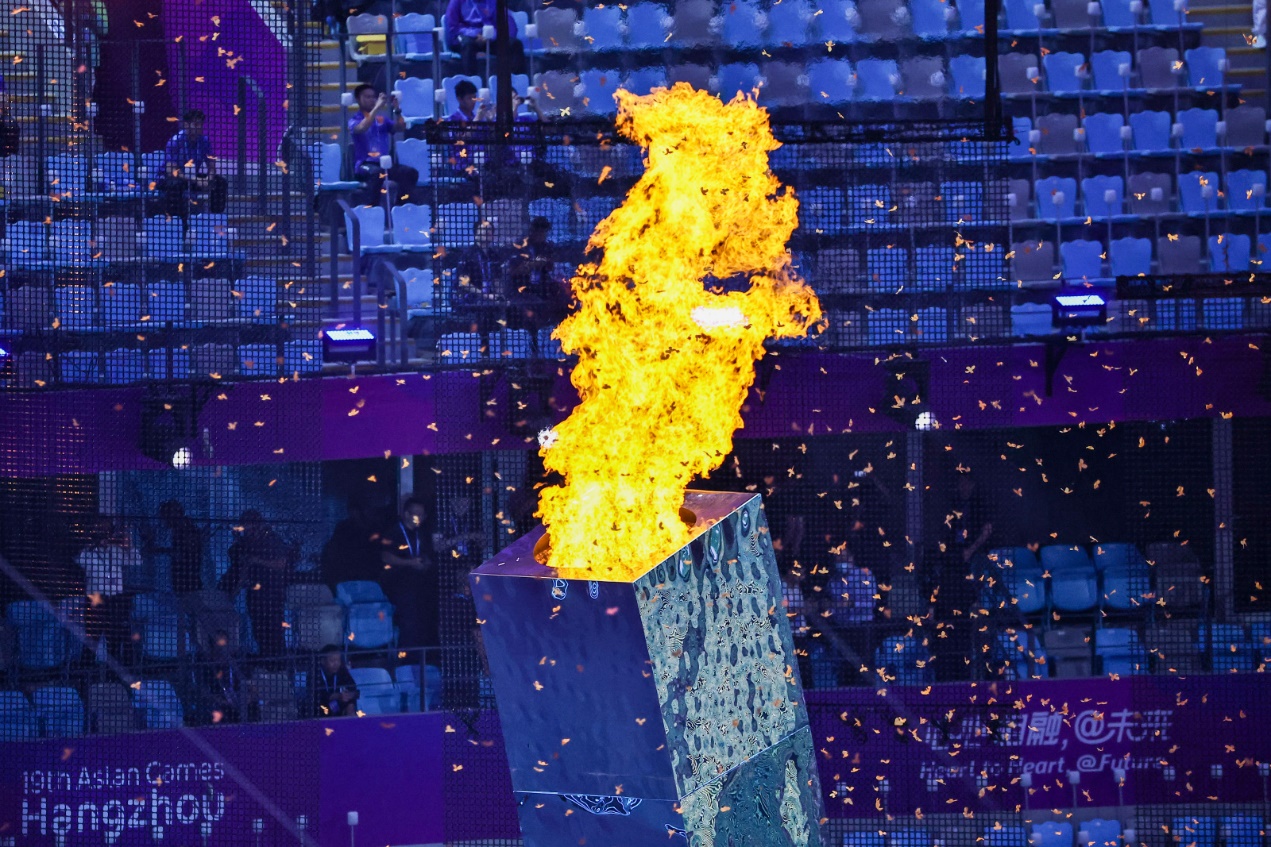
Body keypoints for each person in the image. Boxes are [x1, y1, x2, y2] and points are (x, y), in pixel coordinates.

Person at [219, 511, 296, 658]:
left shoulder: (271, 540)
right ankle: (265, 659)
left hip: (272, 592)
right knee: (259, 629)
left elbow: (281, 563)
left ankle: (276, 662)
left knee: (273, 629)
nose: (246, 530)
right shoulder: (246, 543)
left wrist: (257, 560)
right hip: (255, 593)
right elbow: (242, 567)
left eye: (248, 526)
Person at [378, 497, 439, 650]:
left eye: (422, 515)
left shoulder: (422, 533)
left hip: (420, 586)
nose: (419, 518)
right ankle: (407, 658)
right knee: (408, 623)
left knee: (423, 622)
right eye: (416, 514)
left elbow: (427, 555)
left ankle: (424, 657)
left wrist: (425, 563)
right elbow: (385, 556)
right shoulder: (393, 532)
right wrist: (409, 562)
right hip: (400, 585)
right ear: (406, 514)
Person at [76, 517, 141, 657]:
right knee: (92, 636)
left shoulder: (116, 550)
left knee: (114, 638)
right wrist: (94, 545)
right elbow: (80, 563)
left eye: (106, 529)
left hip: (115, 599)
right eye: (100, 529)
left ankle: (114, 667)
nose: (104, 533)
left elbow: (136, 561)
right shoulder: (88, 551)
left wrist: (128, 546)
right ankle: (87, 668)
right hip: (96, 598)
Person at [348, 83, 417, 202]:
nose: (372, 100)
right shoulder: (354, 120)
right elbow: (362, 128)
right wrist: (376, 108)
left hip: (384, 164)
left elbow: (401, 127)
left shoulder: (382, 119)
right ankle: (372, 207)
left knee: (410, 173)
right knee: (377, 173)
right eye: (367, 97)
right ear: (358, 99)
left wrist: (397, 110)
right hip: (365, 165)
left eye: (373, 97)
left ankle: (402, 205)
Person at [505, 216, 570, 344]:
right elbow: (514, 271)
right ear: (533, 231)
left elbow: (550, 267)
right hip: (522, 290)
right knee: (535, 307)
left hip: (541, 288)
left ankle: (565, 338)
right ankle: (534, 344)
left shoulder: (545, 247)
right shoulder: (521, 245)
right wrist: (533, 264)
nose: (542, 235)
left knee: (564, 299)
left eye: (544, 232)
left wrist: (548, 261)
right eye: (540, 232)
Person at [158, 109, 227, 218]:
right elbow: (172, 171)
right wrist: (196, 180)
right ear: (186, 125)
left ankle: (216, 217)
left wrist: (208, 179)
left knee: (220, 182)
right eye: (196, 124)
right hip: (171, 178)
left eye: (201, 124)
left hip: (192, 177)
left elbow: (212, 166)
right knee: (174, 185)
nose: (199, 127)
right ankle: (176, 219)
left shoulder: (204, 141)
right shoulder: (175, 142)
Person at [451, 220, 507, 342]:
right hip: (471, 299)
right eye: (484, 230)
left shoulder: (494, 255)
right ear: (476, 233)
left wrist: (499, 295)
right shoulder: (468, 255)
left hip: (489, 300)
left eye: (490, 230)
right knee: (483, 315)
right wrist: (486, 295)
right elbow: (463, 283)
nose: (487, 232)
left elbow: (497, 279)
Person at [443, 0, 525, 76]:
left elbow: (507, 25)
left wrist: (491, 35)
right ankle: (472, 81)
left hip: (489, 37)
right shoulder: (457, 2)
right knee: (468, 46)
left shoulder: (493, 2)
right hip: (466, 36)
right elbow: (452, 27)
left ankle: (517, 81)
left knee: (515, 44)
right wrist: (474, 34)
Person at [145, 500, 205, 594]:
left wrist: (160, 550)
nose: (165, 521)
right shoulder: (181, 528)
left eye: (165, 517)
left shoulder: (186, 529)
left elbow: (183, 553)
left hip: (187, 581)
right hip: (184, 580)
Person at [194, 629, 243, 724]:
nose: (222, 645)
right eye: (219, 640)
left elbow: (242, 684)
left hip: (234, 702)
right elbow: (203, 690)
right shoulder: (205, 665)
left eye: (224, 640)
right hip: (214, 704)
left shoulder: (233, 663)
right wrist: (220, 701)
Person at [313, 644, 360, 717]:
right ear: (322, 661)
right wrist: (337, 696)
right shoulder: (315, 673)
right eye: (332, 661)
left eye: (338, 660)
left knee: (350, 705)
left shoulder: (341, 670)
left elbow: (354, 690)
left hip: (337, 705)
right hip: (321, 708)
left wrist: (349, 696)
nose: (336, 664)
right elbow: (317, 697)